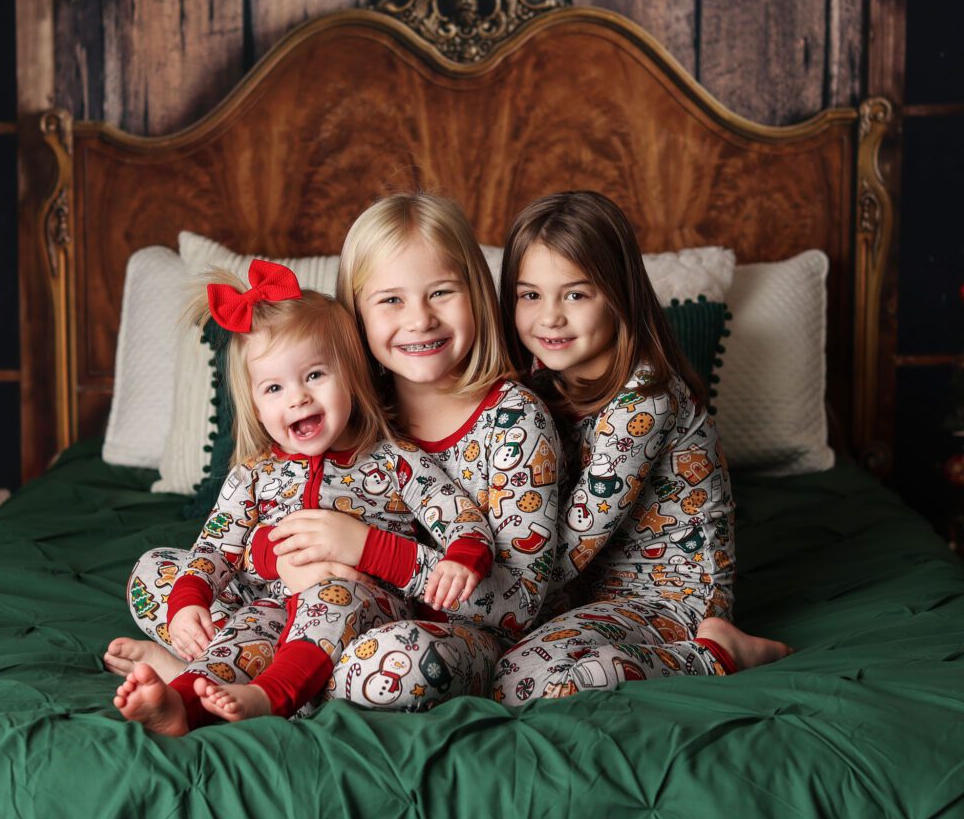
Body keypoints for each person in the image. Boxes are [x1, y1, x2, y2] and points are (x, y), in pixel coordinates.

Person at [110, 259, 494, 733]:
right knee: (168, 578)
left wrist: (463, 556)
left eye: (314, 375)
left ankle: (266, 696)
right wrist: (190, 600)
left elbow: (461, 517)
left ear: (351, 374)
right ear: (255, 403)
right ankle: (185, 700)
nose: (297, 398)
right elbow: (214, 548)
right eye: (274, 387)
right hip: (269, 607)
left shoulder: (394, 460)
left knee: (330, 599)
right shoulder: (251, 476)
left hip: (362, 608)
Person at [491, 191, 791, 703]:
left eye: (576, 295)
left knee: (523, 679)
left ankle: (718, 653)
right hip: (579, 600)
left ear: (620, 294)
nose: (550, 318)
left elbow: (563, 551)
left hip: (667, 599)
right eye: (530, 295)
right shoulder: (537, 392)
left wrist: (473, 592)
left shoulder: (645, 399)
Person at [265, 193, 562, 709]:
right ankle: (259, 675)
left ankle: (280, 680)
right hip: (334, 611)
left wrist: (368, 548)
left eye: (441, 292)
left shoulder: (515, 420)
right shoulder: (340, 414)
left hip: (459, 639)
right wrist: (288, 563)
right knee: (168, 579)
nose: (420, 319)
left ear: (477, 292)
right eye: (390, 300)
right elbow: (261, 512)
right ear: (355, 314)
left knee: (396, 663)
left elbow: (519, 604)